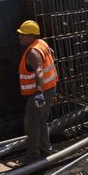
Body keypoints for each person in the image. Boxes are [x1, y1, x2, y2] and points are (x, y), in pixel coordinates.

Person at [17, 19, 59, 163]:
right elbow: (50, 55)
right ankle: (45, 149)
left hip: (40, 93)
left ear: (31, 36)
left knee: (31, 123)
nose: (20, 37)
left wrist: (39, 92)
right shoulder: (42, 43)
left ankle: (33, 155)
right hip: (50, 88)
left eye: (23, 34)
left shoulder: (33, 52)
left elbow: (39, 71)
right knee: (41, 121)